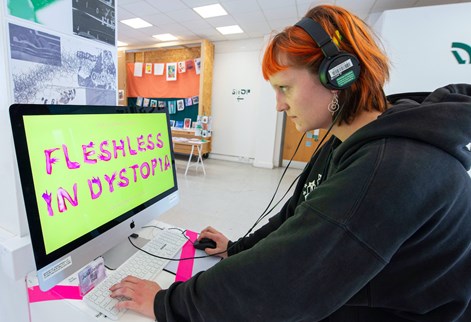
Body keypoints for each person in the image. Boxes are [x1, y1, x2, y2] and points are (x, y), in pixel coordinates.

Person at [110, 4, 471, 321]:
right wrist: (236, 248)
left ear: (338, 76)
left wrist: (163, 304)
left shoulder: (389, 168)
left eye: (285, 88)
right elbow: (297, 220)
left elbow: (279, 283)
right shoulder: (347, 144)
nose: (279, 106)